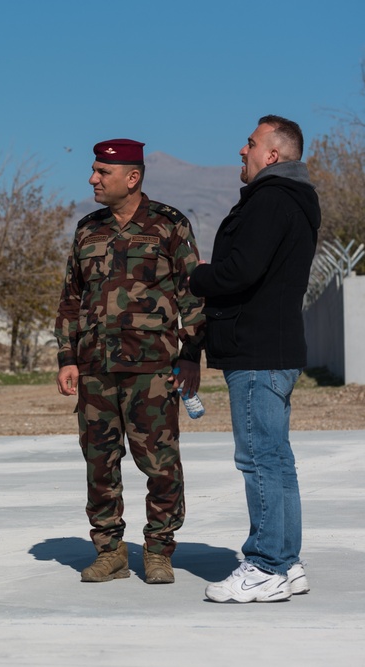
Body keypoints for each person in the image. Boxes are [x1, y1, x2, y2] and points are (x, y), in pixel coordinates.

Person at [54, 139, 204, 585]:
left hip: (153, 371)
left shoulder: (169, 225)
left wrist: (191, 355)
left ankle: (158, 550)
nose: (92, 179)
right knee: (100, 463)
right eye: (94, 171)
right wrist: (67, 357)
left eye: (102, 172)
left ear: (132, 178)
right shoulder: (87, 229)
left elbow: (193, 294)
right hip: (95, 370)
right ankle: (110, 551)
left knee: (160, 464)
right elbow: (71, 299)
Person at [190, 115, 320, 603]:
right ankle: (286, 563)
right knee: (276, 458)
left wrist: (198, 276)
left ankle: (265, 564)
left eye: (250, 144)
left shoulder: (269, 200)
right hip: (275, 347)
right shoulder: (293, 200)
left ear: (273, 156)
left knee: (260, 459)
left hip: (259, 349)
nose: (240, 151)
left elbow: (239, 271)